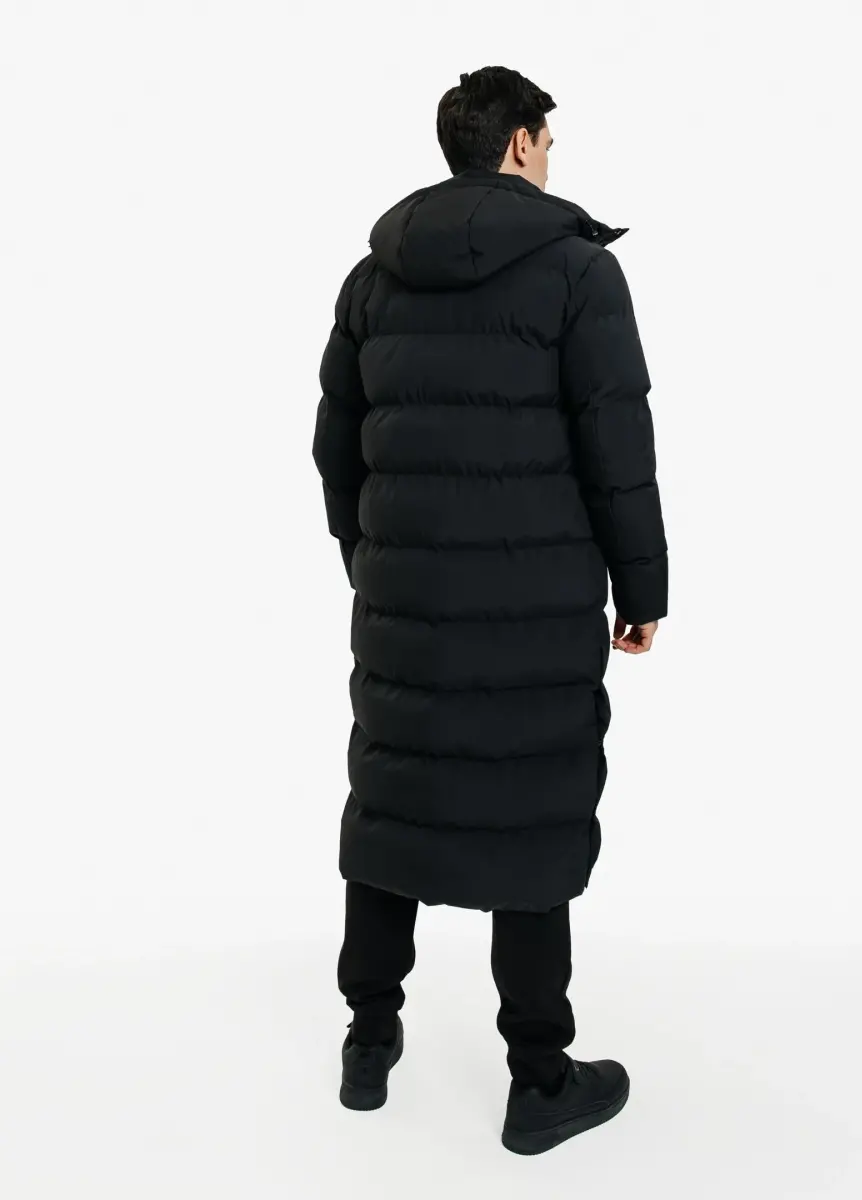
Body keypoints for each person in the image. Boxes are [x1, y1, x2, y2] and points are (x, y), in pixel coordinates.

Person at [312, 65, 667, 1155]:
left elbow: (334, 443)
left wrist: (371, 558)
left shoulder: (375, 276)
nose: (551, 158)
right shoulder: (576, 270)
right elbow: (617, 443)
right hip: (537, 608)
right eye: (547, 141)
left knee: (395, 804)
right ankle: (539, 1080)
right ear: (518, 143)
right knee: (530, 814)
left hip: (404, 603)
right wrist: (642, 588)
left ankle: (369, 1041)